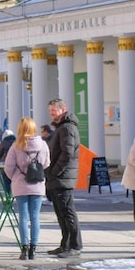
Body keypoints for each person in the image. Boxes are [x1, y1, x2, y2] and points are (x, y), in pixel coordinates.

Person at [4, 117, 51, 260]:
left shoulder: (16, 145)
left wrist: (16, 177)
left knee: (23, 217)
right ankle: (34, 249)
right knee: (35, 216)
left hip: (20, 184)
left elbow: (8, 167)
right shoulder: (42, 145)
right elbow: (47, 163)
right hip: (37, 185)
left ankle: (24, 249)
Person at [44, 98, 82, 258]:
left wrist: (55, 172)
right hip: (58, 177)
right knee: (61, 213)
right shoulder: (61, 127)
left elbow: (67, 153)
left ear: (63, 109)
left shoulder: (67, 128)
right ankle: (65, 244)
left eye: (54, 111)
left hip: (62, 177)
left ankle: (75, 245)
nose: (52, 114)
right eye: (50, 111)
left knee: (67, 212)